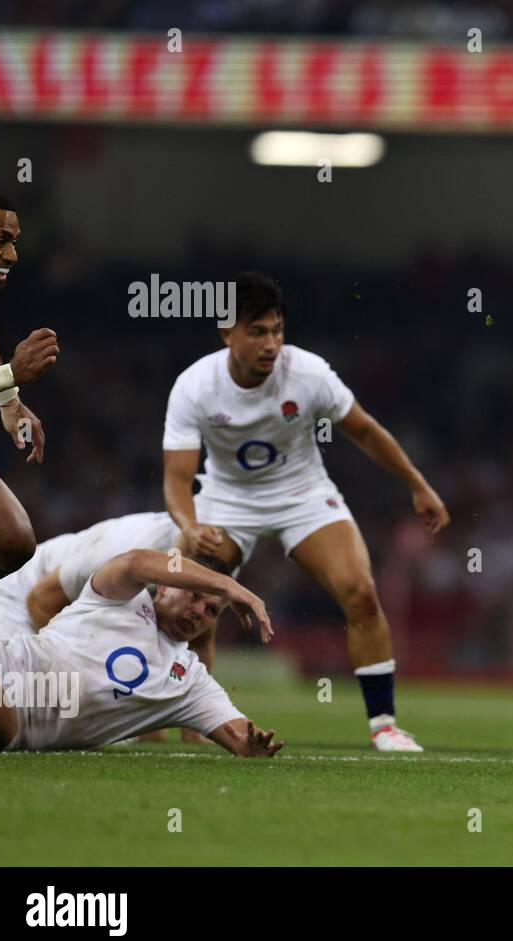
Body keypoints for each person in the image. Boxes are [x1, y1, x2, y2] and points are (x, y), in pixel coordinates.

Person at [162, 271, 449, 752]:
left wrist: (417, 485)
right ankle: (190, 720)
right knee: (189, 596)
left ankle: (385, 726)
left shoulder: (308, 372)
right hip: (228, 499)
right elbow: (175, 479)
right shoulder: (195, 386)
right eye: (257, 332)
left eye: (277, 330)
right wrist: (189, 528)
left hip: (303, 493)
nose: (271, 343)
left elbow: (364, 431)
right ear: (227, 333)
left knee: (360, 591)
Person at [0, 549, 282, 757]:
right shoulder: (120, 598)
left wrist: (249, 745)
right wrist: (227, 585)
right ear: (164, 587)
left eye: (212, 610)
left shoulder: (190, 682)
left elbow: (237, 733)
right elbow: (135, 563)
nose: (199, 611)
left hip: (15, 720)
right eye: (194, 596)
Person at [0, 187, 60, 586]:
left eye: (14, 242)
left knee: (13, 541)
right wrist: (9, 374)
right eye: (0, 240)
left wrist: (9, 401)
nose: (12, 256)